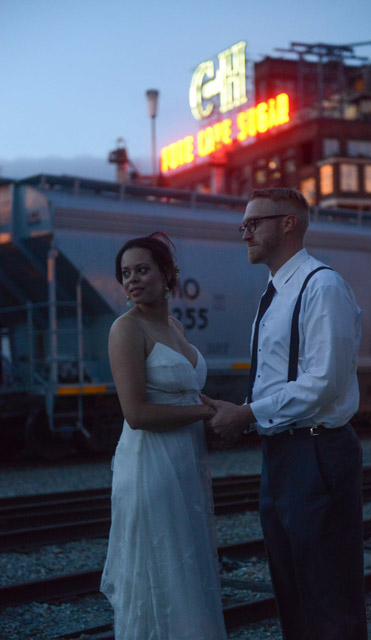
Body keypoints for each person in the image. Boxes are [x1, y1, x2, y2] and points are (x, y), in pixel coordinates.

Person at [203, 188, 368, 640]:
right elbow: (276, 380)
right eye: (243, 226)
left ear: (287, 224)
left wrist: (246, 413)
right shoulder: (274, 294)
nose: (245, 234)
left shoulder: (322, 286)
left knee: (329, 594)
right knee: (293, 591)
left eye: (252, 224)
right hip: (282, 453)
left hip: (318, 451)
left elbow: (324, 382)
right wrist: (244, 415)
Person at [101, 232, 227, 640]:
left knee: (187, 570)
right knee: (163, 573)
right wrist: (208, 413)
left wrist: (214, 408)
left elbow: (185, 391)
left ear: (167, 275)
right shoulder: (126, 329)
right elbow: (136, 413)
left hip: (185, 462)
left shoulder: (173, 325)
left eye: (142, 269)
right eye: (125, 274)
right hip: (150, 467)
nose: (132, 280)